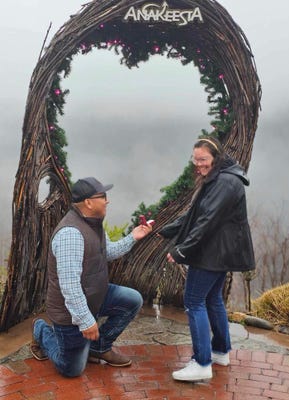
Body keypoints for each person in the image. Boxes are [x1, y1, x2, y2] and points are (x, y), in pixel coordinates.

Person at [31, 177, 152, 377]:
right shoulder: (70, 234)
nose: (107, 200)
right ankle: (41, 329)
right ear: (88, 202)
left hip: (95, 297)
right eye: (102, 196)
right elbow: (69, 286)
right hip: (69, 313)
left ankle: (99, 347)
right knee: (71, 369)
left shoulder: (93, 224)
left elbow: (108, 252)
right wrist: (86, 320)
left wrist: (133, 237)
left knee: (132, 300)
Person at [158, 136, 255, 382]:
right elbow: (194, 216)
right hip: (218, 252)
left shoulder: (224, 182)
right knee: (212, 299)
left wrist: (181, 251)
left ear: (216, 158)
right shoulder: (220, 178)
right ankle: (220, 351)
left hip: (212, 254)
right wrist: (162, 229)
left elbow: (206, 221)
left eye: (203, 159)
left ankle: (201, 362)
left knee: (193, 301)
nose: (198, 164)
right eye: (195, 160)